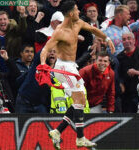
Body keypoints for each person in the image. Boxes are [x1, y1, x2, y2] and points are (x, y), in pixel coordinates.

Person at [39, 0, 115, 149]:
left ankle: (58, 131)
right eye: (77, 10)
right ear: (71, 13)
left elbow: (94, 30)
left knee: (79, 101)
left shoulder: (78, 23)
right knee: (80, 97)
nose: (79, 12)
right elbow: (45, 49)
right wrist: (42, 64)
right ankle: (80, 138)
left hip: (72, 67)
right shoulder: (60, 31)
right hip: (63, 67)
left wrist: (107, 39)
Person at [117, 31, 139, 113]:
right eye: (124, 39)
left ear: (134, 41)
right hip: (126, 94)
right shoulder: (119, 57)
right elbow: (118, 74)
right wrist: (120, 83)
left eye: (129, 38)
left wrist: (137, 72)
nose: (126, 41)